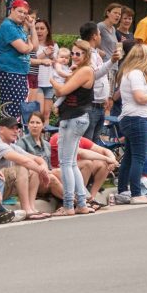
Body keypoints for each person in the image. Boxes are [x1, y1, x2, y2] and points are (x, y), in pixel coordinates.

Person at [50, 39, 96, 216]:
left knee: (66, 163)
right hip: (74, 117)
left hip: (74, 118)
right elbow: (65, 87)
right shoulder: (80, 70)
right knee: (71, 163)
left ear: (86, 55)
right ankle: (82, 203)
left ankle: (69, 205)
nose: (75, 57)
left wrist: (52, 80)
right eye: (73, 54)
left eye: (79, 54)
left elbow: (61, 91)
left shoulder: (85, 70)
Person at [0, 117, 50, 220]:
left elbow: (37, 159)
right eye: (12, 128)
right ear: (1, 129)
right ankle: (26, 210)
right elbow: (25, 161)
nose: (16, 131)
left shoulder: (11, 146)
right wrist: (43, 172)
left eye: (17, 128)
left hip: (0, 187)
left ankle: (32, 208)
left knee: (33, 170)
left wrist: (43, 167)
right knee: (22, 167)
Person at [115, 44, 147, 204]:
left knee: (129, 157)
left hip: (131, 118)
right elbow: (139, 97)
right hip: (137, 119)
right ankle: (136, 193)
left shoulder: (129, 73)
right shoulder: (135, 73)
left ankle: (123, 190)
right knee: (139, 157)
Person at [0, 0, 39, 120]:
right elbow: (24, 48)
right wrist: (28, 46)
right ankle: (10, 134)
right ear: (12, 10)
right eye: (20, 11)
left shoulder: (19, 27)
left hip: (20, 71)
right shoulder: (8, 26)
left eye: (25, 13)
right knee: (13, 108)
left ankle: (14, 133)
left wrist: (32, 27)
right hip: (10, 71)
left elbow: (35, 47)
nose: (23, 15)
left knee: (19, 106)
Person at [26, 19, 57, 123]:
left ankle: (45, 137)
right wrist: (44, 53)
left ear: (47, 31)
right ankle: (37, 136)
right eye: (37, 28)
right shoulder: (31, 44)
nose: (39, 31)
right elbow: (31, 60)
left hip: (49, 83)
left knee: (47, 113)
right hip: (36, 82)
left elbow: (57, 63)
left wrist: (53, 56)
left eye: (42, 28)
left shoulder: (53, 45)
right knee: (39, 112)